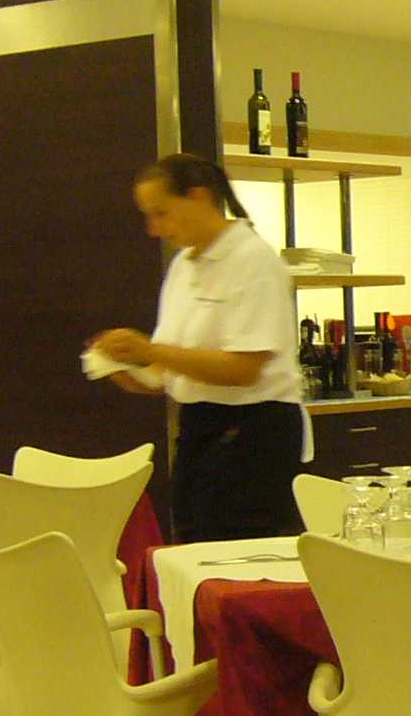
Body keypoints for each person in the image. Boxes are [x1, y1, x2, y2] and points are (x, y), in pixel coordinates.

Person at [88, 153, 308, 542]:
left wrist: (149, 352)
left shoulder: (253, 261)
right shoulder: (183, 266)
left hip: (254, 430)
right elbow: (170, 367)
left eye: (161, 213)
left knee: (235, 551)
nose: (154, 229)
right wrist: (124, 368)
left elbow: (243, 369)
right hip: (199, 426)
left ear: (199, 196)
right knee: (192, 540)